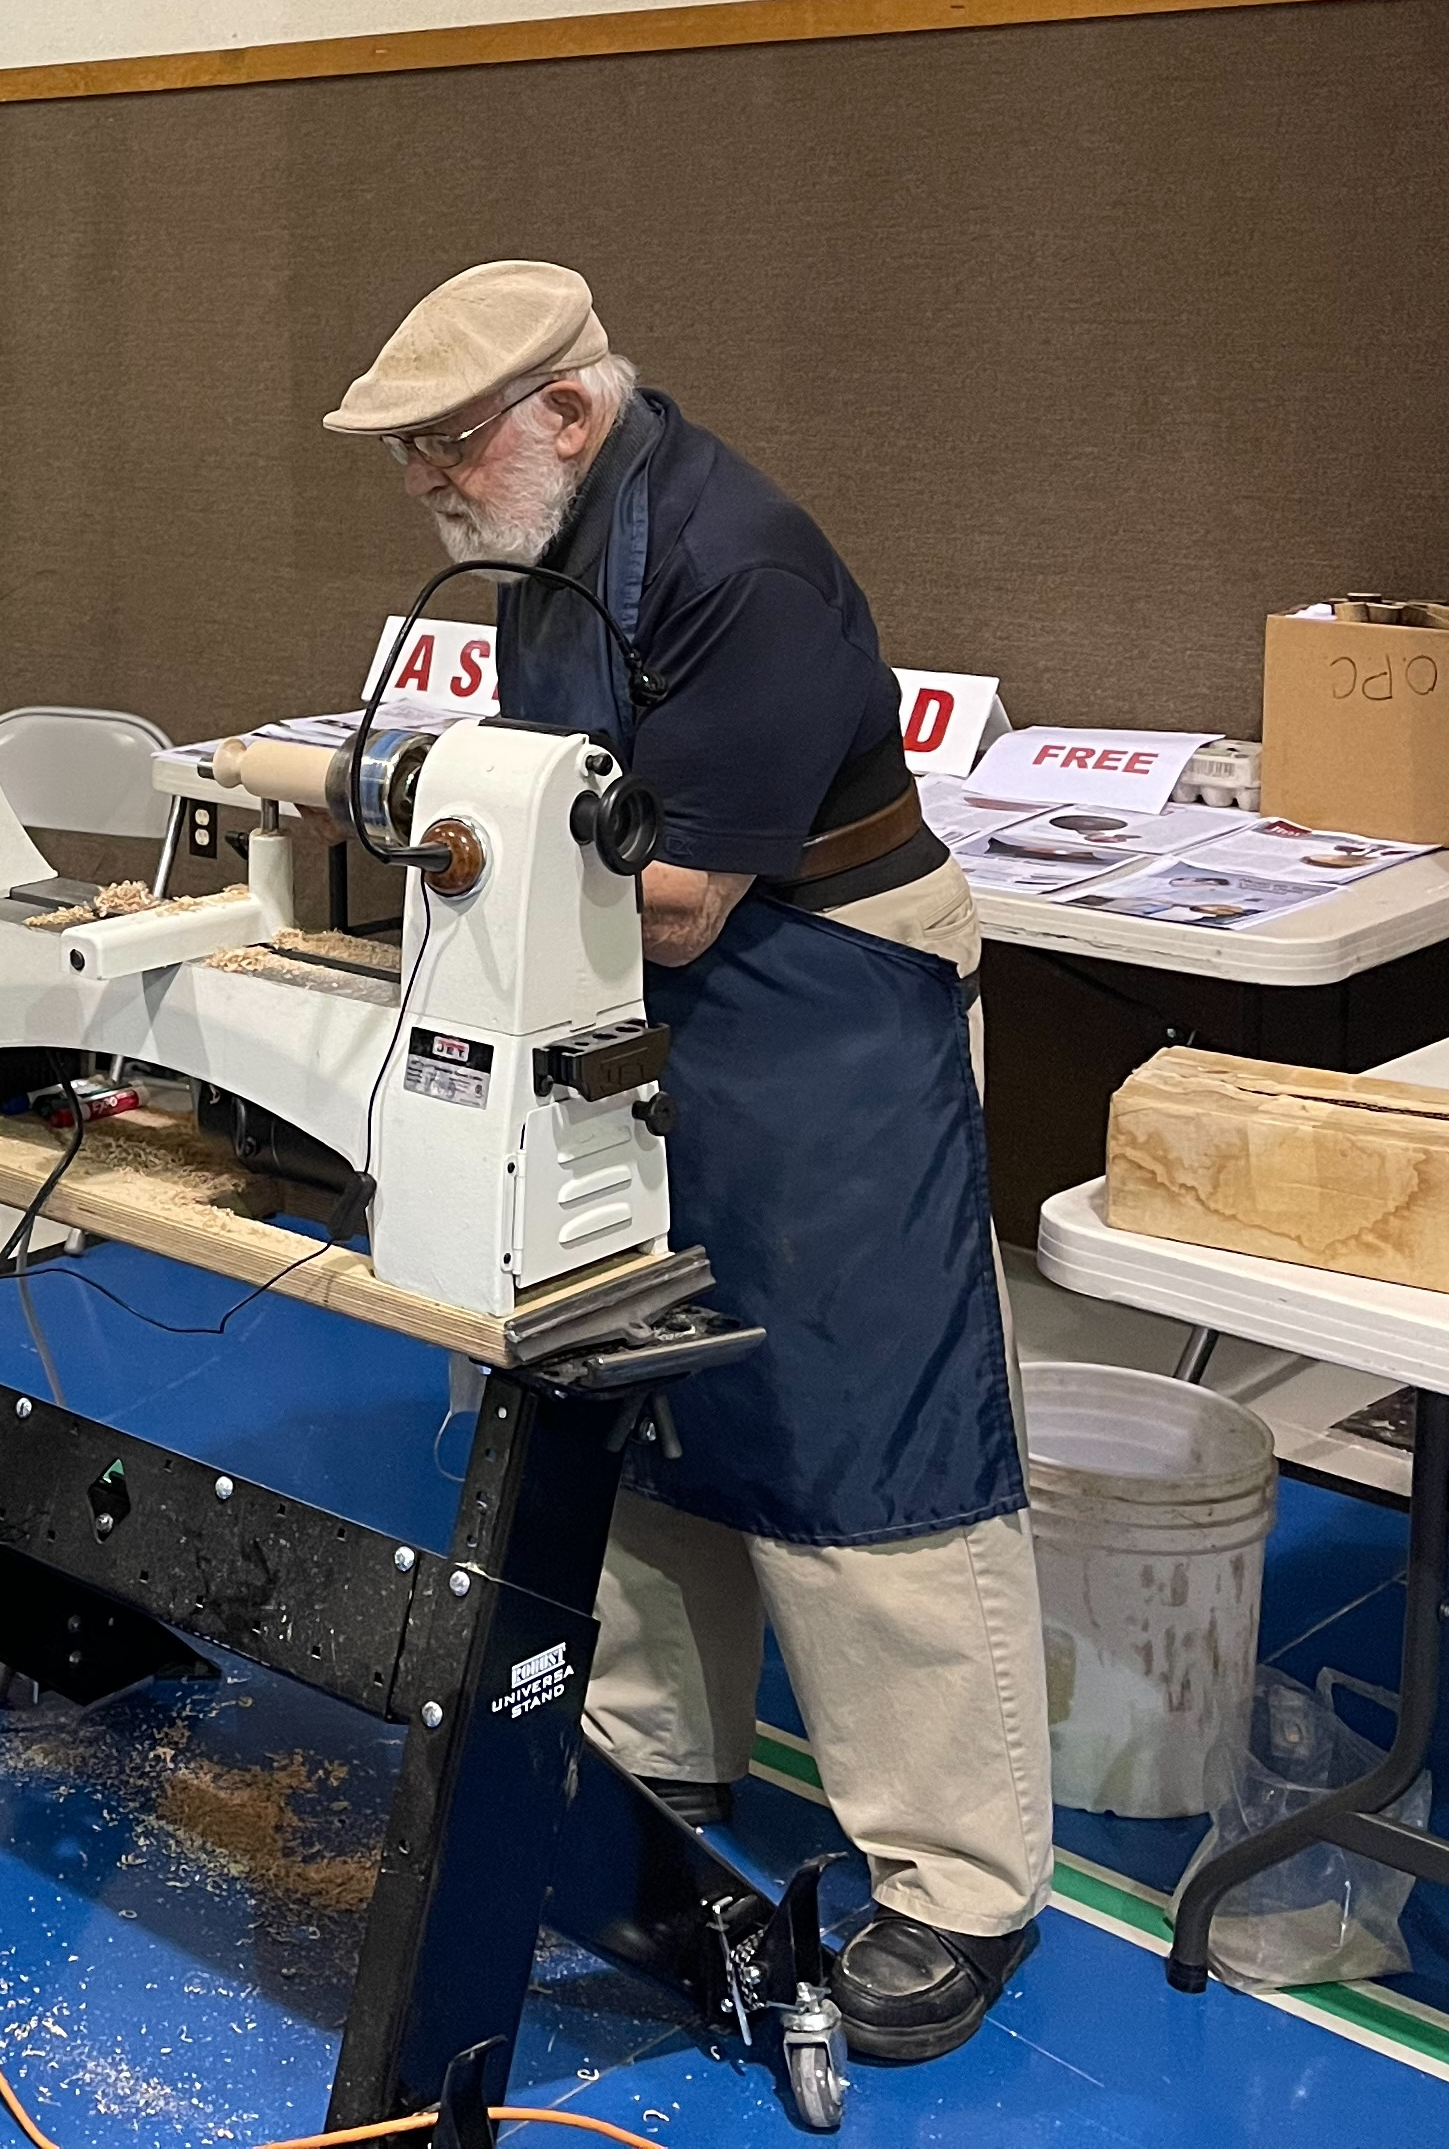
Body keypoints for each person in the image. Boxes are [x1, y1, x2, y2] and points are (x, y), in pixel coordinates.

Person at [326, 262, 1052, 2064]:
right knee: (641, 1367)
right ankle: (656, 1739)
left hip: (824, 991)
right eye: (410, 452)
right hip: (674, 1007)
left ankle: (964, 1882)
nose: (427, 481)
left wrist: (436, 836)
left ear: (565, 411)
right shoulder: (554, 552)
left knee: (861, 1425)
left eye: (447, 442)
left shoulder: (741, 565)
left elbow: (670, 899)